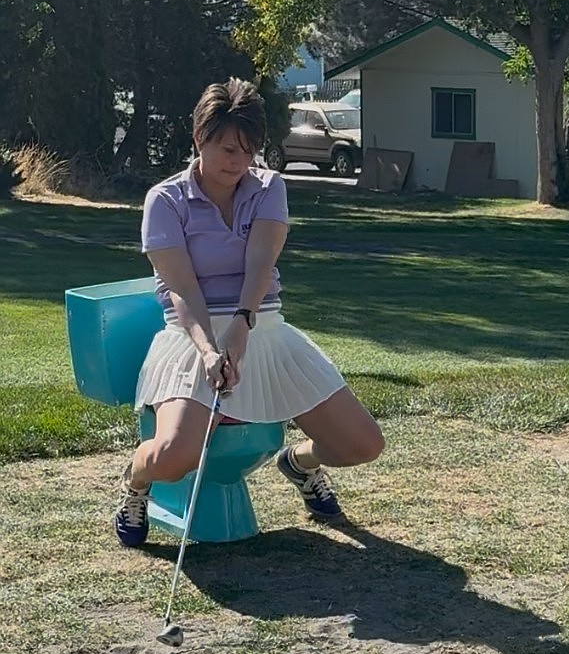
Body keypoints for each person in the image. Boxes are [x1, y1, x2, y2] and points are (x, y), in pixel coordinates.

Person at [114, 78, 384, 548]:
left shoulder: (268, 187)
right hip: (191, 337)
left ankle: (298, 463)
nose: (238, 160)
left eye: (248, 149)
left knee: (363, 444)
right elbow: (181, 288)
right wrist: (209, 351)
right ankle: (135, 483)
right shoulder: (165, 199)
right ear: (199, 138)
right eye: (226, 148)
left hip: (263, 327)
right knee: (173, 459)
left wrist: (241, 326)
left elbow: (261, 265)